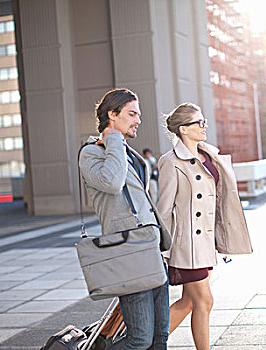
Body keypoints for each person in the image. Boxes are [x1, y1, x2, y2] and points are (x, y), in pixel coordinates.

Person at [79, 88, 172, 350]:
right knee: (138, 340)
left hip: (149, 247)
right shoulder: (92, 152)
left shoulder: (126, 152)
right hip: (129, 252)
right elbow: (112, 182)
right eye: (131, 114)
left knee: (159, 338)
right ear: (112, 114)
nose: (138, 120)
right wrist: (113, 139)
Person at [157, 102, 253, 350]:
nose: (204, 126)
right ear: (183, 129)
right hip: (187, 244)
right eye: (198, 123)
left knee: (189, 302)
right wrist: (163, 250)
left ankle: (146, 343)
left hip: (205, 241)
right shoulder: (171, 162)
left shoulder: (209, 155)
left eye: (204, 121)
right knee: (205, 301)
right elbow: (164, 209)